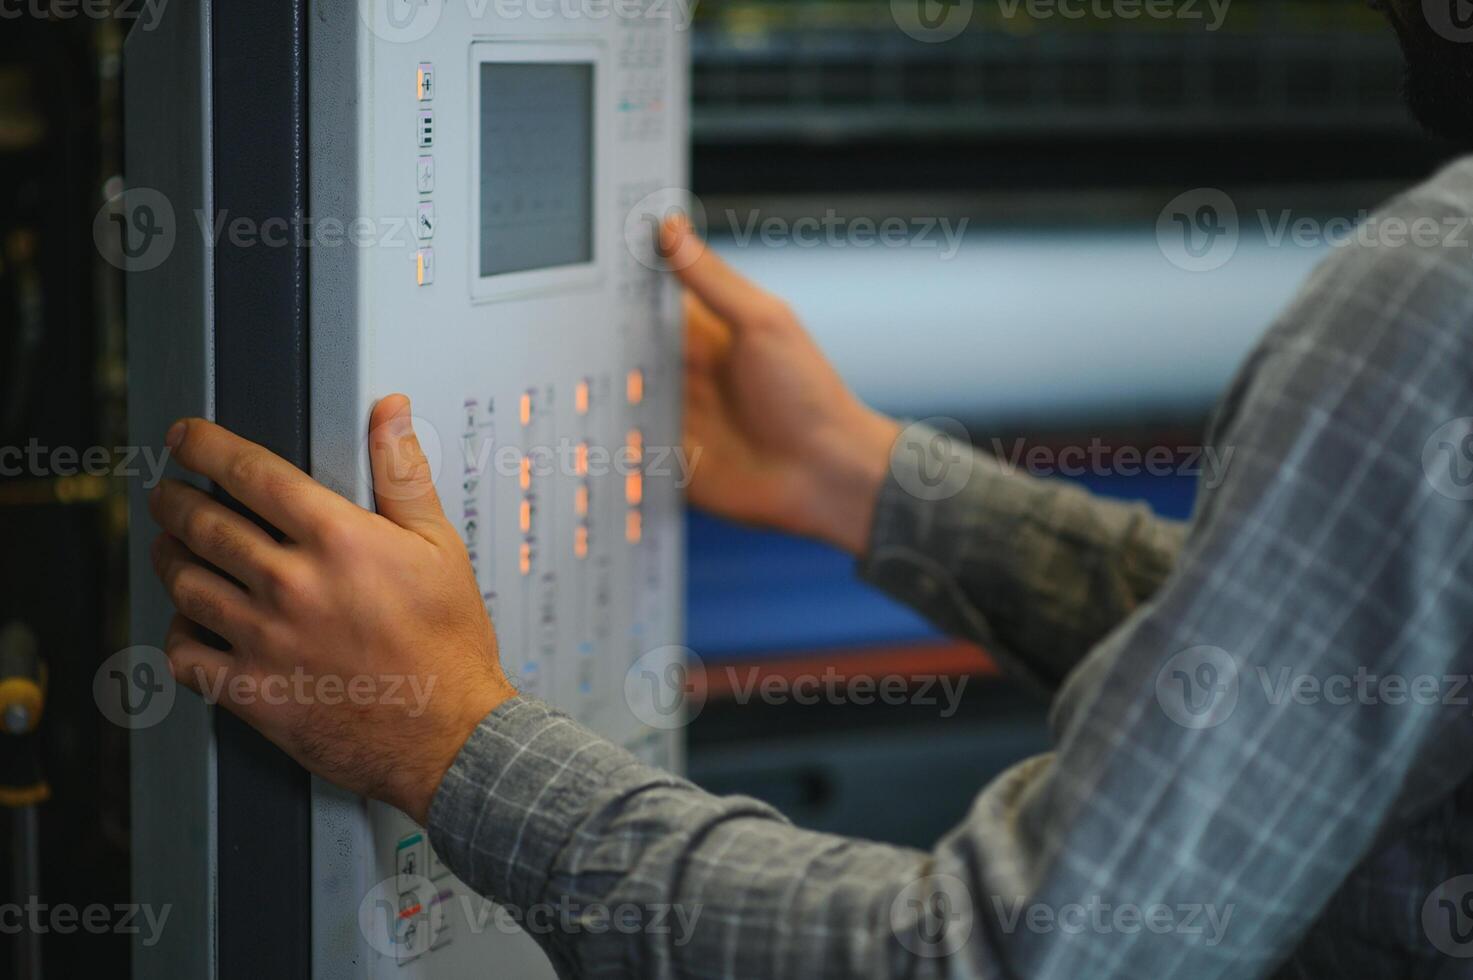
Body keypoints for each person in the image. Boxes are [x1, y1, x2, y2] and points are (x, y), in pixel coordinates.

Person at [146, 5, 1473, 973]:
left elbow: (998, 961)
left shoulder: (1433, 299)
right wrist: (862, 479)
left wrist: (453, 747)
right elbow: (1311, 656)